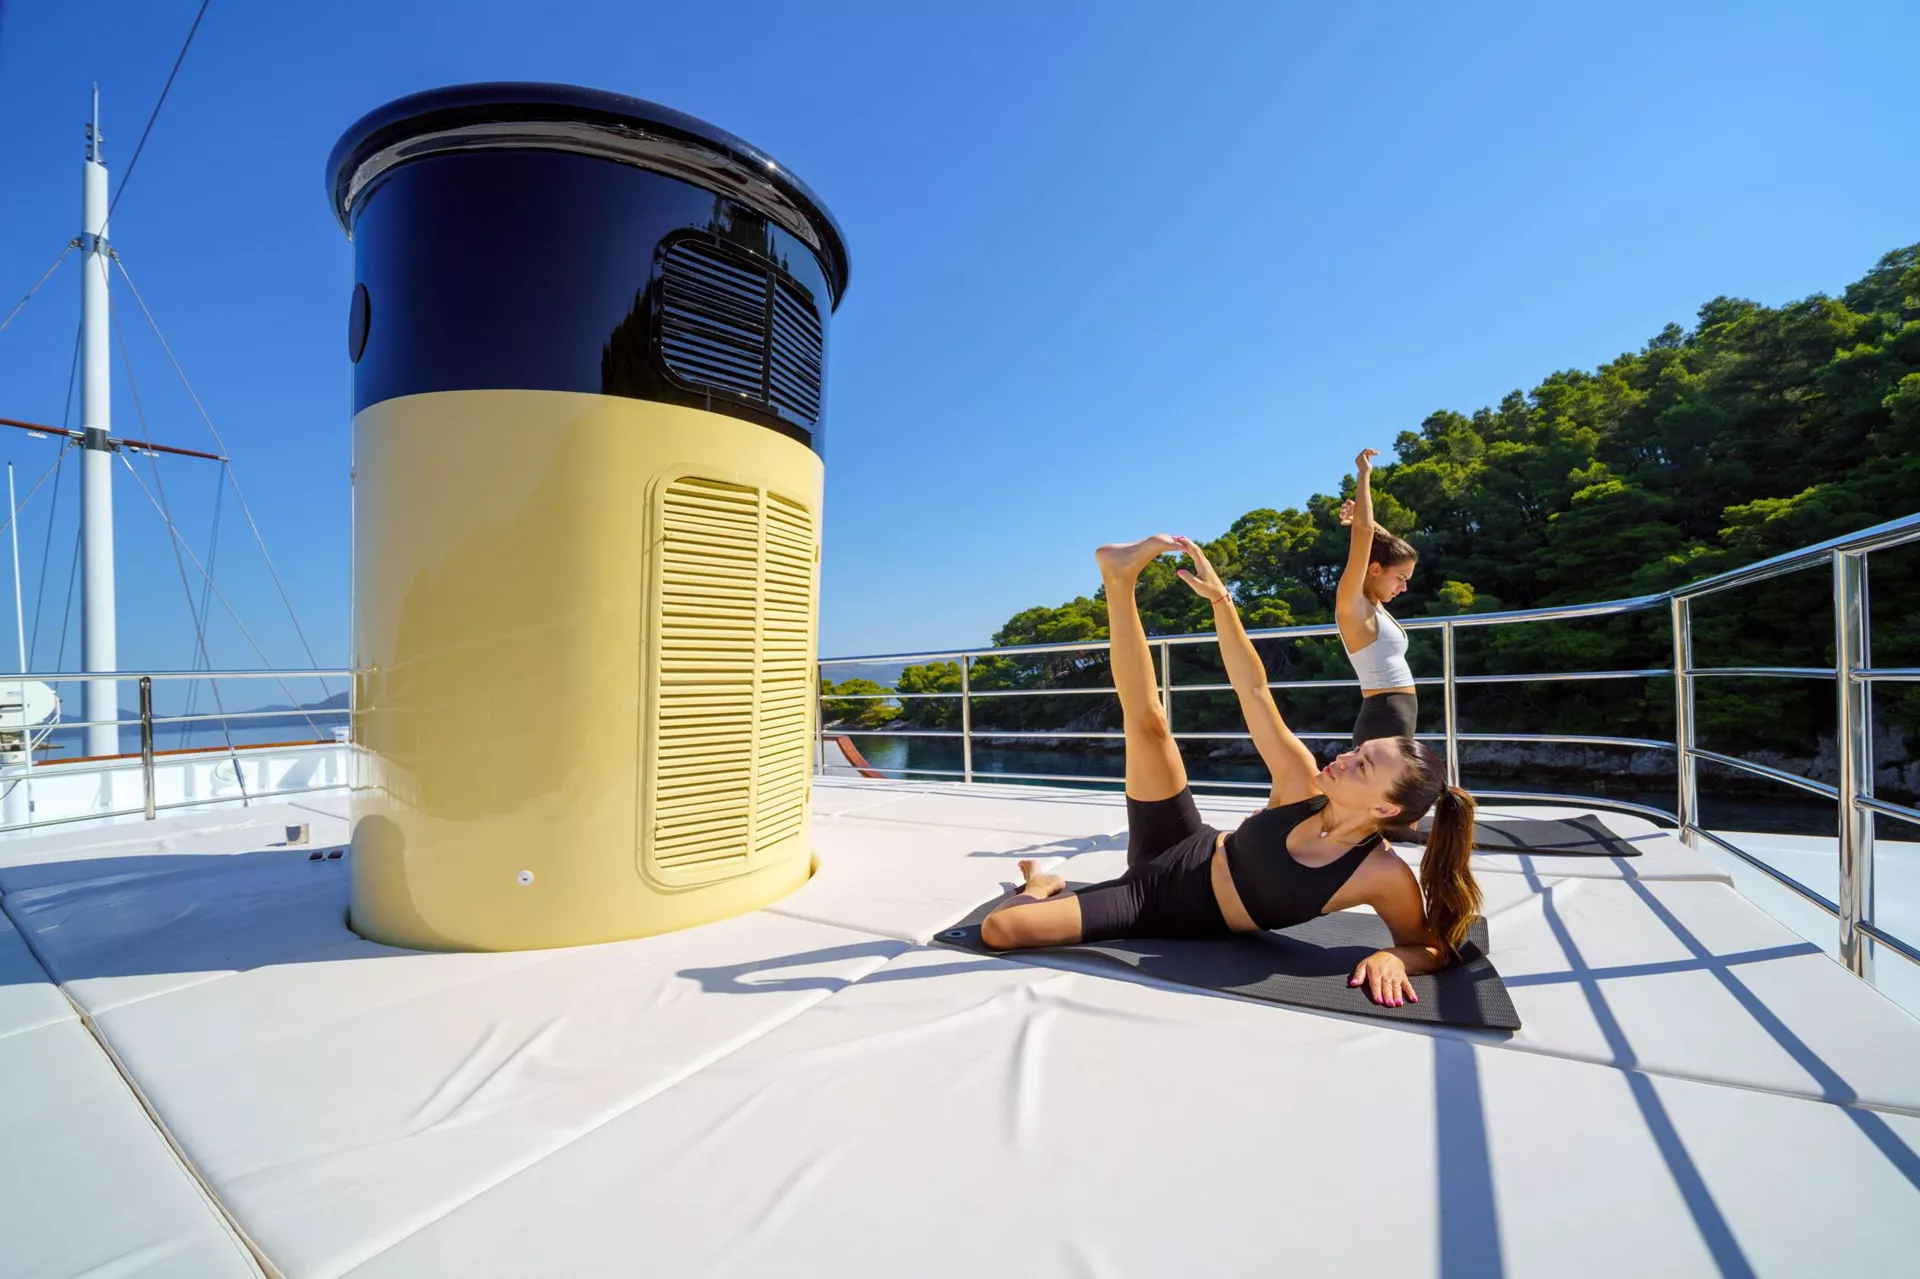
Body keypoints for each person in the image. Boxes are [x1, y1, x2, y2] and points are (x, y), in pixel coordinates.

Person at [979, 534, 1481, 1006]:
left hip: (1158, 904)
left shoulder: (1382, 874)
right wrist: (1222, 601)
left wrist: (1395, 957)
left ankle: (1041, 886)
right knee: (1148, 722)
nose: (1345, 757)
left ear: (1386, 808)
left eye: (1362, 765)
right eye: (1358, 750)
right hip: (1182, 840)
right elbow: (1253, 689)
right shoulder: (1301, 782)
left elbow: (1430, 946)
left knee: (1001, 931)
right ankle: (1120, 578)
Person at [1336, 447, 1420, 745]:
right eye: (1400, 578)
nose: (1403, 588)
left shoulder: (1374, 606)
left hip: (1391, 719)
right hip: (1382, 721)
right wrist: (1364, 475)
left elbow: (1392, 547)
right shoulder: (1353, 604)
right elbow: (1363, 533)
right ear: (1374, 569)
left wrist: (1361, 515)